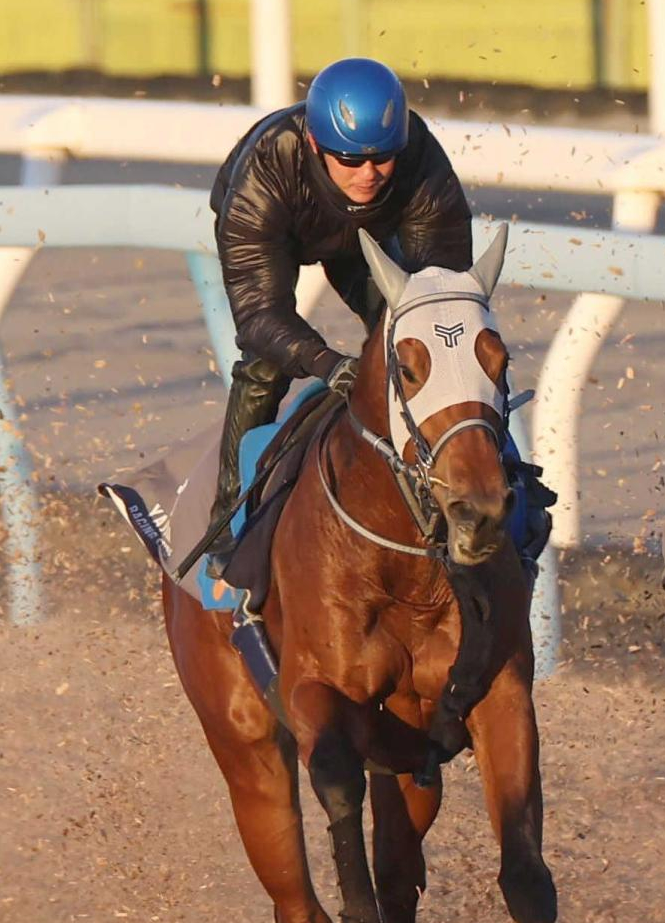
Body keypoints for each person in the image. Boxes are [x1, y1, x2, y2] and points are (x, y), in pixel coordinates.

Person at [196, 56, 474, 571]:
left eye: (383, 159)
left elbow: (445, 302)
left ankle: (462, 487)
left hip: (367, 236)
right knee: (266, 363)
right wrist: (326, 363)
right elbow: (258, 316)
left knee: (418, 341)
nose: (368, 175)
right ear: (316, 145)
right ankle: (227, 525)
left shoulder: (421, 158)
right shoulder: (266, 169)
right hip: (280, 222)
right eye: (350, 161)